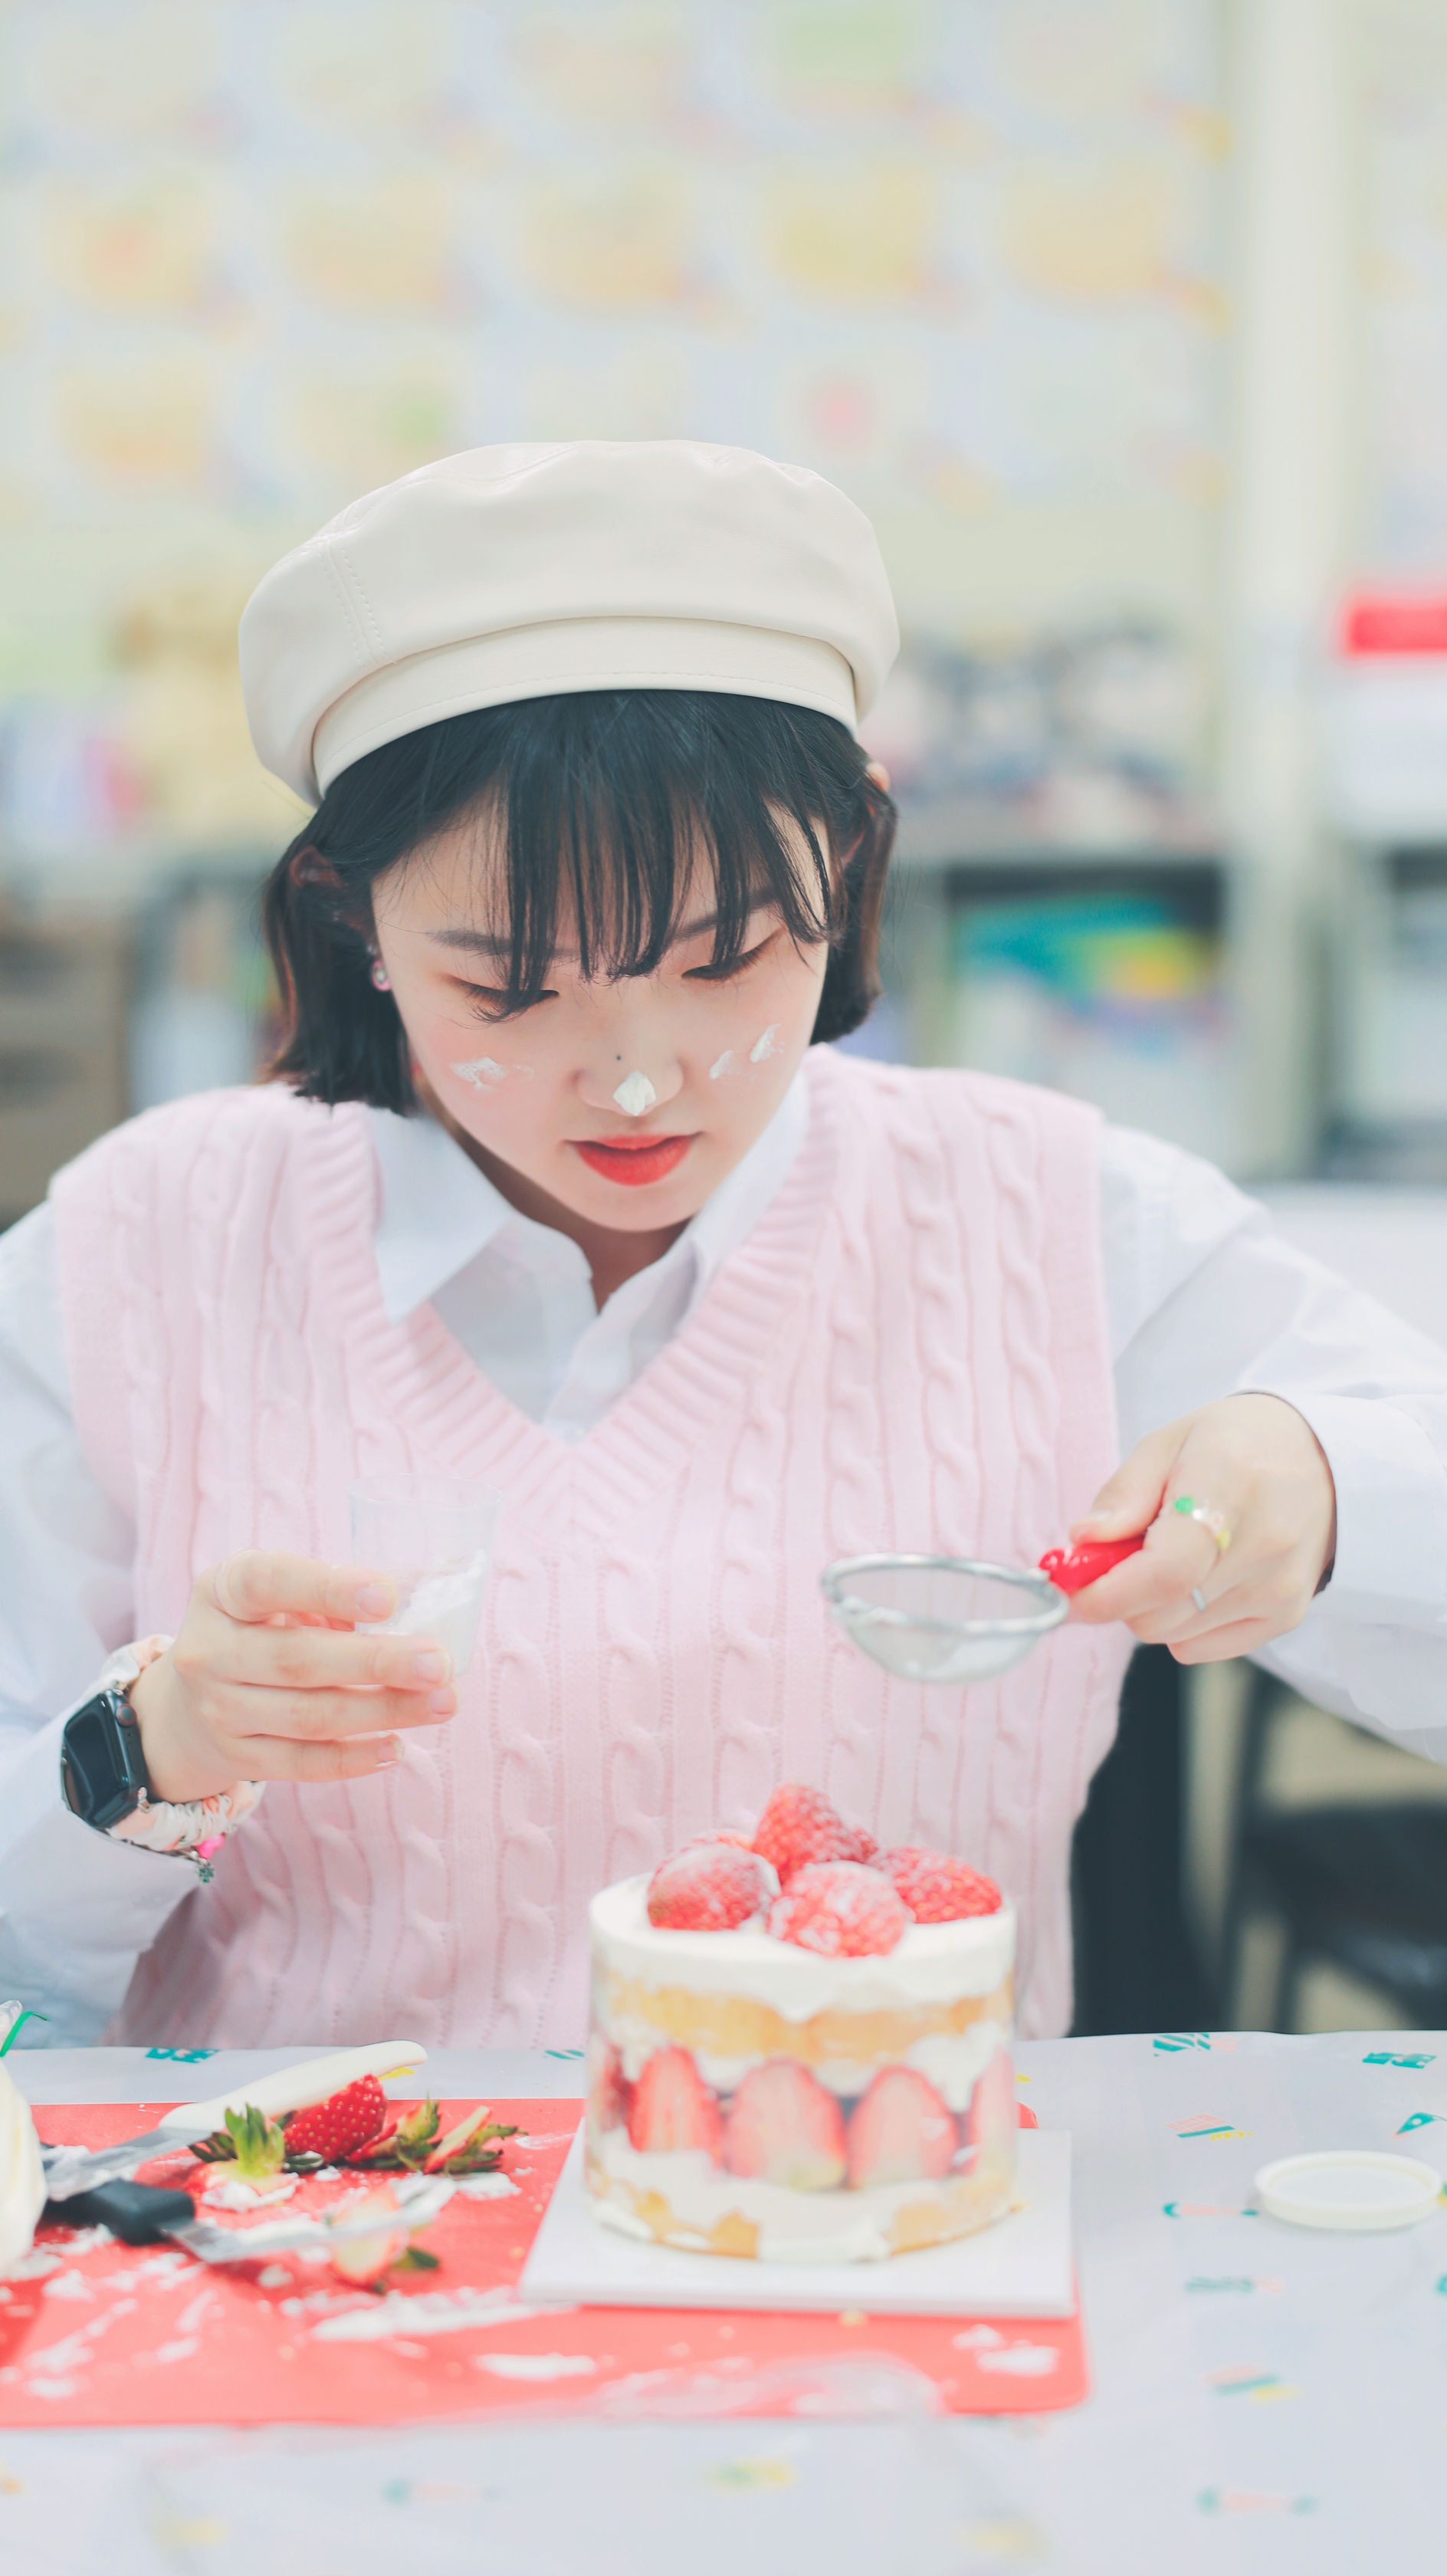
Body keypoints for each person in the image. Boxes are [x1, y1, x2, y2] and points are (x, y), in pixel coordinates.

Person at [2, 440, 1445, 2052]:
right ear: (354, 921)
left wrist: (1323, 1483)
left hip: (888, 2187)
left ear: (852, 860)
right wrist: (151, 1745)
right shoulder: (138, 1251)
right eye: (509, 988)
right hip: (299, 2199)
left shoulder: (1056, 1218)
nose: (636, 1079)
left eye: (727, 960)